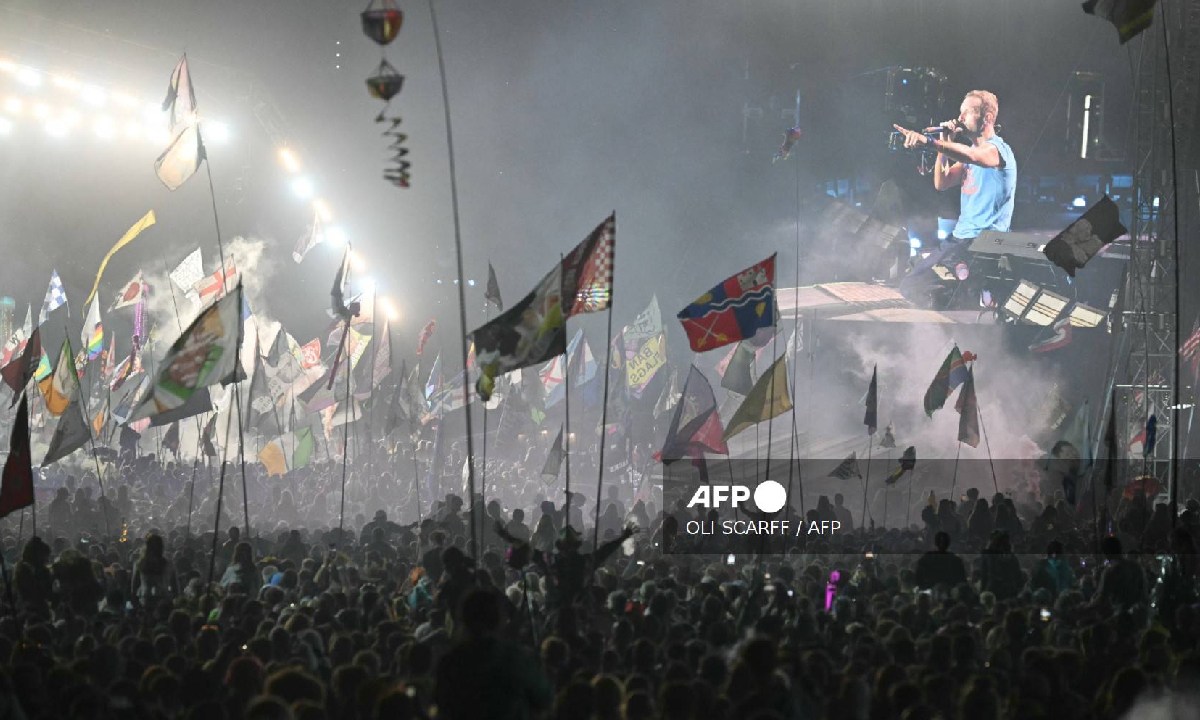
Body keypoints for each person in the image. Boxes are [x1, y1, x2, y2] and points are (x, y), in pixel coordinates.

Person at [894, 90, 1017, 244]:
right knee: (920, 265)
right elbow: (942, 183)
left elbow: (972, 155)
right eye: (960, 112)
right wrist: (945, 142)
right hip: (962, 237)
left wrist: (929, 142)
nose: (960, 118)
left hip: (987, 242)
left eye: (967, 112)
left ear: (988, 118)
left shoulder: (998, 150)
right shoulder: (969, 154)